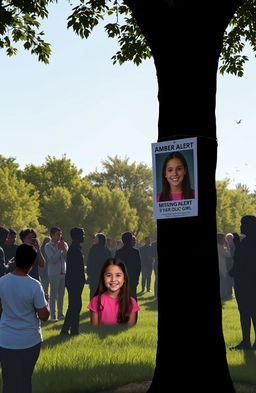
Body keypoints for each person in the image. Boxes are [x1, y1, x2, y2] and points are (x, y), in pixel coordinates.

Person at [0, 243, 49, 393]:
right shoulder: (34, 285)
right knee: (25, 380)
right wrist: (46, 302)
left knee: (8, 381)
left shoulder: (1, 282)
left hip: (6, 339)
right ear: (32, 265)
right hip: (30, 339)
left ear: (14, 260)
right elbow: (44, 316)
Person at [229, 216, 256, 350]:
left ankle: (246, 341)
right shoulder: (247, 242)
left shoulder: (247, 243)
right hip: (249, 282)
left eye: (242, 224)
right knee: (250, 312)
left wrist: (237, 245)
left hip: (245, 283)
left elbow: (240, 261)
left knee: (246, 312)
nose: (240, 227)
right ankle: (248, 342)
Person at [87, 258, 140, 326]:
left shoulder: (131, 302)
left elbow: (130, 331)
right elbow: (94, 330)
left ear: (124, 279)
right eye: (108, 275)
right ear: (103, 278)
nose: (113, 279)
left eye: (118, 275)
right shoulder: (96, 301)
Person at [60, 227, 86, 336]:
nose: (84, 236)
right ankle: (72, 330)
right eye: (82, 234)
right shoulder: (74, 249)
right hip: (75, 282)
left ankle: (67, 330)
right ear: (77, 236)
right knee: (75, 306)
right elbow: (76, 268)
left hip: (74, 281)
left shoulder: (75, 248)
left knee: (74, 306)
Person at [44, 227, 68, 322]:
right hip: (53, 273)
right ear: (51, 235)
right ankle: (53, 316)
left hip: (63, 272)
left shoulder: (64, 244)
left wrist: (64, 249)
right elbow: (52, 260)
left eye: (60, 234)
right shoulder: (48, 246)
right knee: (53, 294)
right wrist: (60, 250)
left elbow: (67, 257)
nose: (59, 236)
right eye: (57, 234)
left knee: (61, 294)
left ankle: (60, 314)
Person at [115, 232, 141, 300]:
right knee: (132, 297)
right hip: (132, 278)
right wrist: (137, 278)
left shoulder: (118, 252)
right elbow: (138, 267)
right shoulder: (135, 252)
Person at [86, 233, 112, 300]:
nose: (94, 240)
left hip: (95, 275)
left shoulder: (93, 249)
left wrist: (89, 273)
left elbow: (89, 262)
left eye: (96, 238)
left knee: (93, 292)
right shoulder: (107, 251)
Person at [217, 232, 231, 302]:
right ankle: (224, 296)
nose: (225, 240)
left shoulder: (220, 246)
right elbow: (228, 255)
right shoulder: (219, 246)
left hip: (221, 267)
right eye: (224, 238)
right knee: (223, 283)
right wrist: (227, 246)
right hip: (221, 267)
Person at [225, 232, 235, 299]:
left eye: (230, 238)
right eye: (228, 238)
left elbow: (232, 255)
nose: (229, 239)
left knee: (233, 280)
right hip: (226, 265)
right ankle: (229, 294)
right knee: (228, 280)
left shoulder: (234, 245)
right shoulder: (225, 246)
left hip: (232, 264)